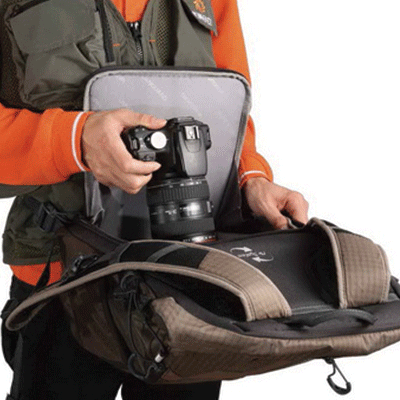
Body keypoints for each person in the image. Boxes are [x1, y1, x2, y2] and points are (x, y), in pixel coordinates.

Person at [0, 0, 309, 399]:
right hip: (63, 279)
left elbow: (229, 108)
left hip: (188, 276)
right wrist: (75, 141)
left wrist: (252, 178)